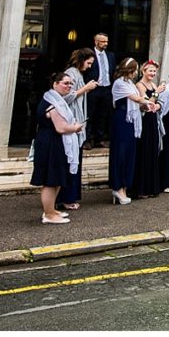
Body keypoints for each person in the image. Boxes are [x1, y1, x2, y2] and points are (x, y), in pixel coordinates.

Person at [31, 72, 84, 224]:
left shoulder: (58, 101)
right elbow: (60, 127)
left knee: (57, 178)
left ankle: (52, 210)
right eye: (65, 83)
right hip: (50, 143)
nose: (69, 86)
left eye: (70, 84)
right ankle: (48, 214)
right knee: (50, 179)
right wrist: (75, 128)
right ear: (55, 84)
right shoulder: (50, 102)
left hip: (57, 142)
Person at [109, 57, 156, 205]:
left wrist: (147, 105)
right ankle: (117, 187)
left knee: (129, 153)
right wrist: (148, 101)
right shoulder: (119, 83)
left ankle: (124, 187)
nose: (136, 73)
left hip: (132, 120)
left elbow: (138, 102)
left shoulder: (130, 83)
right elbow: (135, 98)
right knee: (120, 153)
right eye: (135, 70)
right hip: (122, 119)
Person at [56, 48, 99, 210]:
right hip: (71, 122)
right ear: (82, 60)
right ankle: (66, 198)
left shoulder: (78, 74)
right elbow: (65, 97)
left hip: (78, 122)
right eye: (88, 63)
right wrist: (86, 88)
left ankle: (70, 196)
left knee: (75, 161)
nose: (89, 67)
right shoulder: (71, 73)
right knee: (71, 161)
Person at [130, 60, 166, 199]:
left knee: (153, 151)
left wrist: (158, 105)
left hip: (153, 120)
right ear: (143, 71)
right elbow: (146, 103)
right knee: (144, 151)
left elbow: (155, 104)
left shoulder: (153, 84)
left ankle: (152, 186)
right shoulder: (140, 85)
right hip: (144, 120)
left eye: (154, 71)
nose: (152, 73)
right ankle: (141, 188)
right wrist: (156, 93)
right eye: (150, 70)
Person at [82, 33, 115, 149]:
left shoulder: (110, 55)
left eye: (106, 41)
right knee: (90, 114)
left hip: (106, 88)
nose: (105, 44)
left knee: (103, 115)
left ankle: (99, 139)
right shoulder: (90, 55)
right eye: (103, 42)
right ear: (96, 42)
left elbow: (112, 71)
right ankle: (88, 139)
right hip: (93, 88)